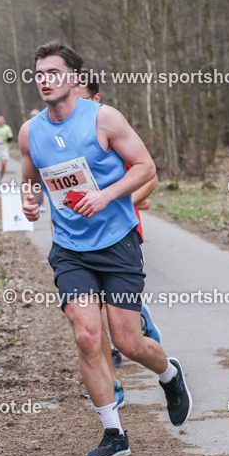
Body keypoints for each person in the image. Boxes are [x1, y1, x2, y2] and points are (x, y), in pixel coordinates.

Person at [20, 41, 192, 456]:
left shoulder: (104, 118)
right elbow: (31, 182)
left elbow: (145, 167)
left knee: (128, 341)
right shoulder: (31, 132)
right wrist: (29, 203)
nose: (45, 81)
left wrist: (105, 196)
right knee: (86, 334)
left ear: (74, 79)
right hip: (71, 249)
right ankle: (114, 432)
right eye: (39, 74)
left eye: (53, 73)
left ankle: (169, 374)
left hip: (117, 242)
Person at [73, 73, 162, 409]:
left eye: (80, 99)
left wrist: (116, 200)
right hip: (79, 242)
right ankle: (112, 385)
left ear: (96, 100)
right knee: (86, 320)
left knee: (119, 320)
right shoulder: (61, 137)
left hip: (121, 233)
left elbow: (148, 177)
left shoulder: (109, 133)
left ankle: (139, 319)